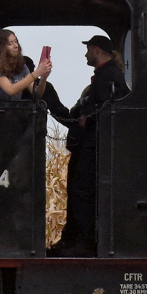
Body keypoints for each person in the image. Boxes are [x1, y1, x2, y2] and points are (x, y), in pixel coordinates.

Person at [41, 33, 130, 256]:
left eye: (88, 49)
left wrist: (86, 118)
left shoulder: (107, 76)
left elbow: (106, 107)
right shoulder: (104, 76)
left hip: (93, 145)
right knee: (77, 191)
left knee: (83, 193)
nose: (86, 54)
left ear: (97, 50)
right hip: (86, 144)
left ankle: (81, 242)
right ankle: (72, 239)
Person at [0, 28, 51, 100]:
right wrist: (37, 72)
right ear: (0, 48)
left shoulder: (21, 65)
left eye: (16, 42)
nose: (15, 46)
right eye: (10, 44)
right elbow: (10, 90)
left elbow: (36, 94)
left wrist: (43, 77)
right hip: (0, 109)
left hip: (16, 109)